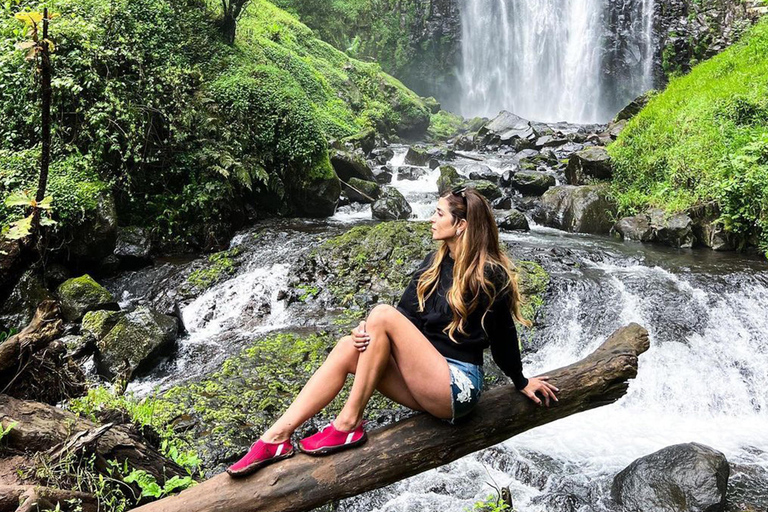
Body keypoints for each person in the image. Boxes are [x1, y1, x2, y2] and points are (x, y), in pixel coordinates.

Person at [226, 187, 559, 477]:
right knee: (347, 345)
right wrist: (365, 330)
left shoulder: (489, 274)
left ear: (461, 225)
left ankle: (347, 425)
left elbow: (503, 336)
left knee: (381, 315)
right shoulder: (433, 263)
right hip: (422, 380)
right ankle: (276, 438)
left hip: (456, 387)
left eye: (439, 213)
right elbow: (403, 318)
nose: (431, 218)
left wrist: (521, 380)